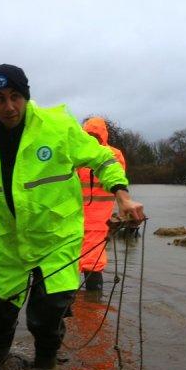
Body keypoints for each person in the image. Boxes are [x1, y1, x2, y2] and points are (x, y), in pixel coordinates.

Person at [0, 64, 144, 370]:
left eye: (15, 96)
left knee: (47, 313)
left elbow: (103, 159)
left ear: (27, 96)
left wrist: (122, 196)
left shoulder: (59, 127)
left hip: (58, 237)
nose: (9, 106)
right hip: (10, 240)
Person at [78, 117, 127, 291]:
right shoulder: (77, 154)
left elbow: (117, 177)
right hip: (76, 219)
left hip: (98, 221)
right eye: (89, 136)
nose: (93, 140)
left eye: (95, 136)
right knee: (70, 263)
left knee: (92, 262)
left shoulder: (113, 155)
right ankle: (88, 305)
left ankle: (90, 305)